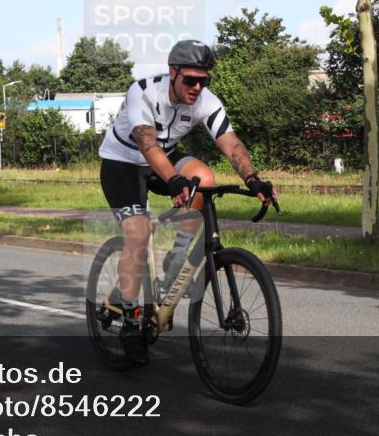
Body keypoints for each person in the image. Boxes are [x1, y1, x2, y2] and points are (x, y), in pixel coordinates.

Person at [98, 39, 277, 366]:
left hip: (162, 158)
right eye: (190, 80)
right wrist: (174, 180)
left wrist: (253, 179)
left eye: (203, 80)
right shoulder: (143, 92)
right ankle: (129, 320)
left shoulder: (206, 101)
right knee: (137, 235)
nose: (197, 87)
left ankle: (177, 258)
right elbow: (146, 142)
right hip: (123, 163)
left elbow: (231, 144)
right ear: (172, 73)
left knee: (205, 180)